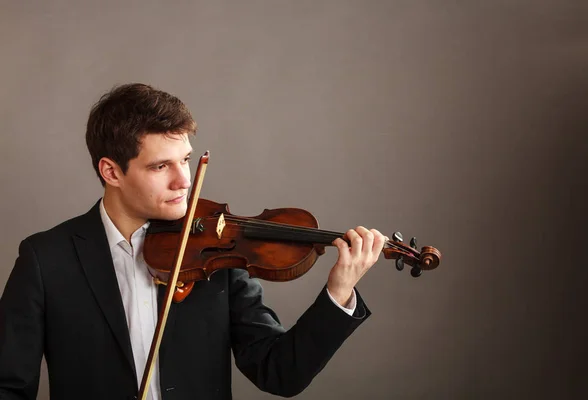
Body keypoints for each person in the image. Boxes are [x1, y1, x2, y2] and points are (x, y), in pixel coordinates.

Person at [0, 83, 386, 400]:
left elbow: (279, 374)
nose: (183, 181)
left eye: (184, 159)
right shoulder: (45, 259)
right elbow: (9, 386)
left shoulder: (215, 252)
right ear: (111, 171)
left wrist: (339, 291)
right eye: (160, 166)